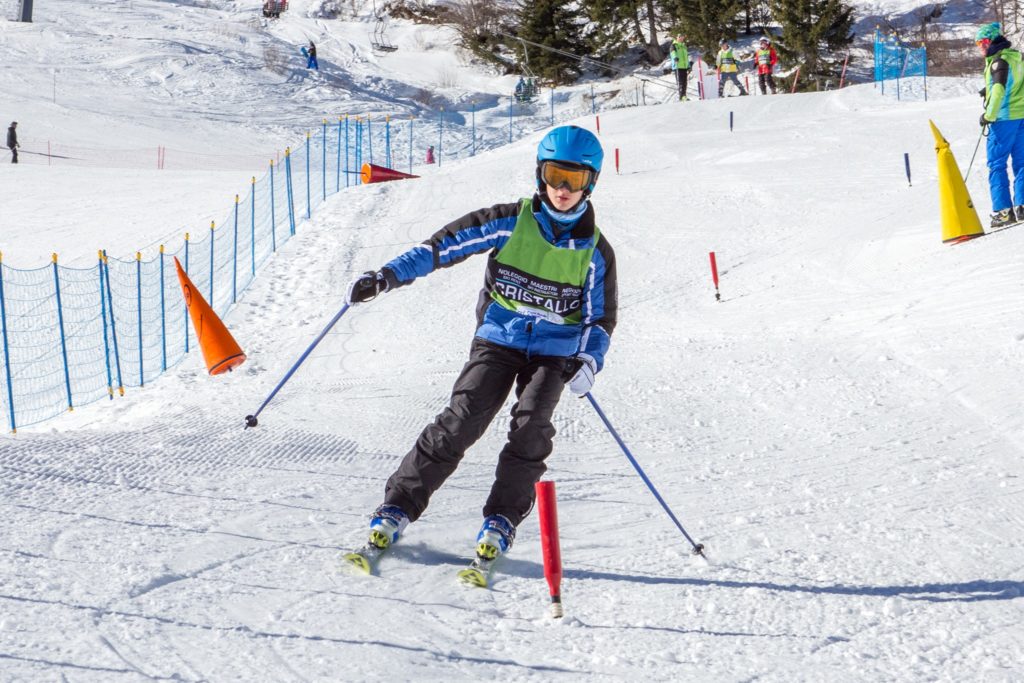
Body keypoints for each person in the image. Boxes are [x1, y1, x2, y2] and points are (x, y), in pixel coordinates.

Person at [346, 125, 617, 563]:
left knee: (532, 426)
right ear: (540, 174)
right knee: (462, 418)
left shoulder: (595, 251)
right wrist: (386, 276)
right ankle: (398, 506)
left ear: (592, 182)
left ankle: (502, 518)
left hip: (555, 352)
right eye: (555, 175)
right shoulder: (510, 221)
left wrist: (588, 359)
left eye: (575, 179)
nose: (563, 189)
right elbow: (442, 247)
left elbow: (600, 318)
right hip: (499, 338)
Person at [976, 22, 1024, 228]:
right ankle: (1022, 206)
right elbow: (1012, 83)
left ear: (992, 40)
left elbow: (998, 90)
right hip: (1021, 116)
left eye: (983, 41)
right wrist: (987, 90)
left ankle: (1004, 211)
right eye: (978, 43)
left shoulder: (999, 62)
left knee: (997, 164)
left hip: (1003, 118)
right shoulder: (1017, 57)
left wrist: (988, 115)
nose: (980, 46)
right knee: (1022, 162)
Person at [670, 35, 691, 101]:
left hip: (684, 66)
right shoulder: (674, 45)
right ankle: (681, 96)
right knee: (680, 82)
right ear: (677, 37)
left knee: (685, 82)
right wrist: (675, 57)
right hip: (678, 66)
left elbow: (686, 57)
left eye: (682, 37)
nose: (681, 38)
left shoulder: (684, 46)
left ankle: (684, 96)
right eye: (679, 37)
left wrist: (688, 66)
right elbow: (672, 52)